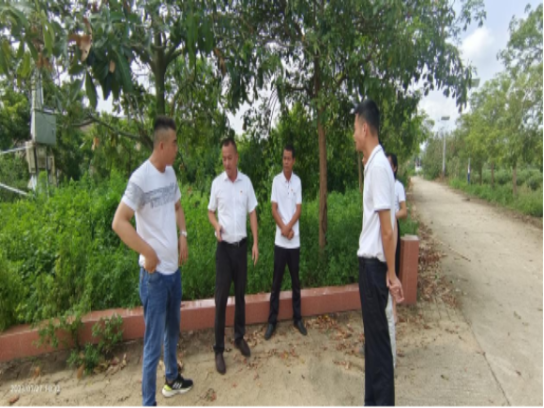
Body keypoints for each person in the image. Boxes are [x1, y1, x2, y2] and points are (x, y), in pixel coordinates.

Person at [112, 116, 193, 408]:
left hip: (173, 272)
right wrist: (147, 252)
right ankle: (148, 403)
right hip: (154, 277)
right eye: (174, 143)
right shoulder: (140, 179)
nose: (177, 148)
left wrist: (183, 234)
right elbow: (119, 222)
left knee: (172, 331)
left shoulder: (170, 174)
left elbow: (178, 207)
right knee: (152, 344)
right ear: (161, 145)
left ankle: (172, 379)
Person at [353, 99, 404, 407]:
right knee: (372, 347)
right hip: (369, 267)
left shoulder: (380, 168)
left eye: (355, 129)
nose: (353, 135)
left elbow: (388, 229)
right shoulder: (373, 165)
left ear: (365, 128)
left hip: (375, 269)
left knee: (381, 354)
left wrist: (392, 274)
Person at [207, 137, 259, 375]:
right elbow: (210, 212)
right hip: (224, 249)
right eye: (223, 159)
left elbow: (252, 213)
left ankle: (239, 337)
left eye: (230, 158)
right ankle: (218, 349)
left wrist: (255, 242)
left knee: (240, 295)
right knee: (221, 299)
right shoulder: (217, 184)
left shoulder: (246, 182)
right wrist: (216, 225)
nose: (226, 162)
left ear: (237, 157)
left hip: (241, 248)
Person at [264, 145, 307, 340]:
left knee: (296, 282)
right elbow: (273, 209)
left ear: (294, 161)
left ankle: (298, 319)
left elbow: (298, 210)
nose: (286, 161)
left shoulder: (298, 182)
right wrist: (283, 228)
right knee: (276, 283)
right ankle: (272, 321)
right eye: (284, 158)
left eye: (289, 158)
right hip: (280, 242)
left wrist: (288, 228)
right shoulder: (276, 181)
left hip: (294, 241)